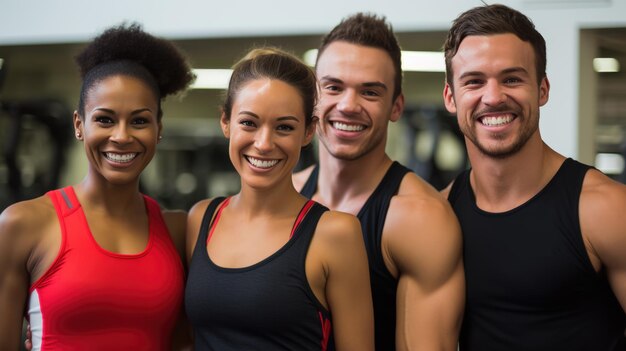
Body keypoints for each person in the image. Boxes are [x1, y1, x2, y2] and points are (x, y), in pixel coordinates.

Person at [441, 4, 626, 350]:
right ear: (451, 97)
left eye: (512, 79)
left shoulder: (604, 208)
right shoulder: (440, 212)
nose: (493, 97)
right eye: (474, 81)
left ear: (542, 90)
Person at [0, 24, 194, 350]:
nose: (121, 136)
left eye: (139, 120)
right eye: (105, 119)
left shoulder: (177, 230)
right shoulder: (22, 225)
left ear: (158, 128)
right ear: (79, 125)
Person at [293, 13, 465, 350]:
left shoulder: (420, 218)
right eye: (333, 87)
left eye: (369, 92)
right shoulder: (285, 192)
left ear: (396, 106)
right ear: (314, 96)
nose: (347, 105)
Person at [184, 48, 374, 350]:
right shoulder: (201, 219)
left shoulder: (335, 233)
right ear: (225, 122)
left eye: (284, 127)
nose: (263, 143)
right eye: (249, 123)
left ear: (309, 131)